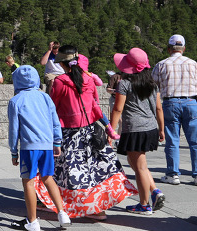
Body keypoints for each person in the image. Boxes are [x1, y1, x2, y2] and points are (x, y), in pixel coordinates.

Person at [36, 45, 137, 219]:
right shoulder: (88, 80)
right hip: (90, 132)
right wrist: (108, 127)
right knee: (94, 170)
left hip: (68, 134)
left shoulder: (59, 82)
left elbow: (52, 109)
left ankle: (54, 202)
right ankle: (98, 209)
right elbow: (94, 107)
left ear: (62, 64)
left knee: (65, 172)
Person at [8, 65, 71, 231]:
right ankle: (62, 213)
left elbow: (14, 129)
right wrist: (57, 142)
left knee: (28, 181)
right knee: (48, 178)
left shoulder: (15, 101)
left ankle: (32, 221)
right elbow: (55, 121)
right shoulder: (45, 98)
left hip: (29, 147)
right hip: (47, 145)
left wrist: (13, 151)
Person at [110, 48, 166, 214]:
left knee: (139, 167)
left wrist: (111, 132)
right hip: (150, 128)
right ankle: (154, 191)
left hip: (134, 128)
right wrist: (161, 129)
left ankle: (144, 204)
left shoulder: (124, 83)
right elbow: (158, 108)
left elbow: (118, 109)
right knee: (136, 162)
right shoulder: (152, 84)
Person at [151, 34, 197, 185]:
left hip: (170, 102)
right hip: (191, 101)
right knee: (194, 141)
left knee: (172, 140)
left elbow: (153, 85)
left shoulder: (162, 64)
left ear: (169, 49)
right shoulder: (193, 64)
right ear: (184, 48)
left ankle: (173, 174)